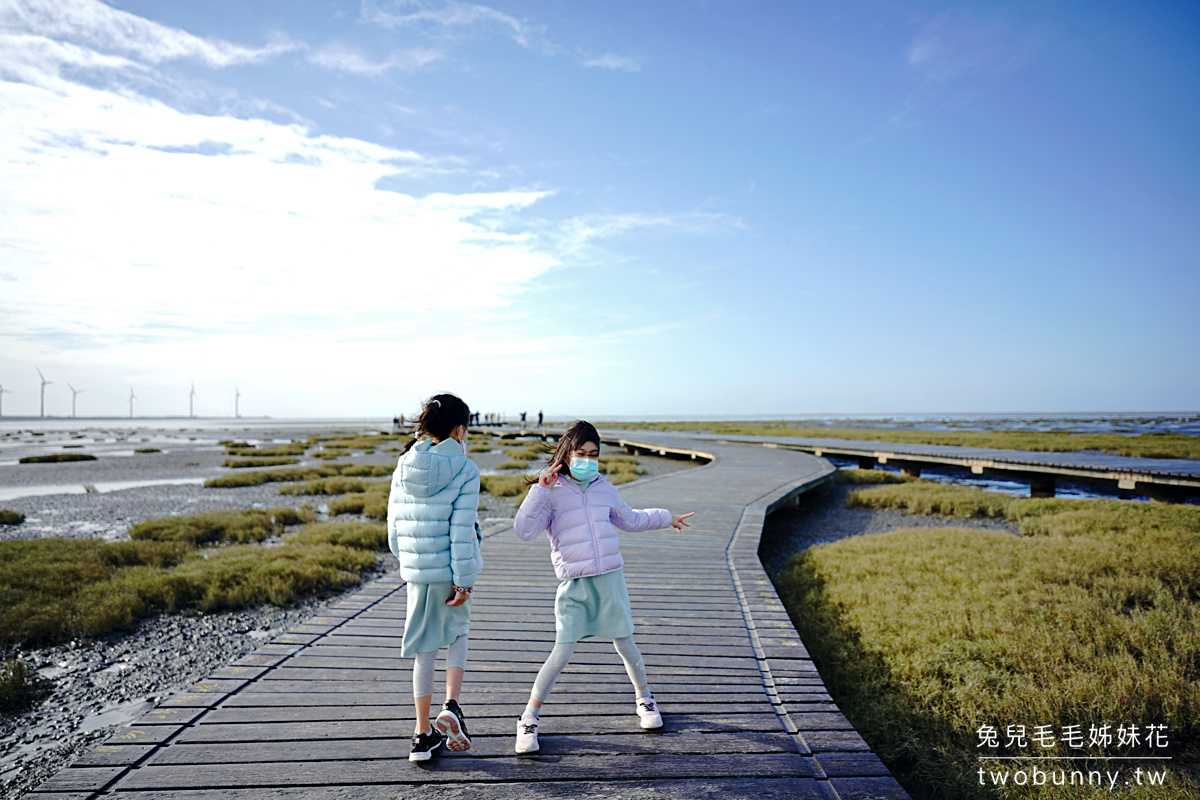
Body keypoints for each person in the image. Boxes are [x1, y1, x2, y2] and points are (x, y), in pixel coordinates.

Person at [511, 421, 694, 753]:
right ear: (566, 455)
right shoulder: (550, 493)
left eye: (593, 454)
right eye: (580, 453)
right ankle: (528, 719)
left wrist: (667, 517)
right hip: (574, 585)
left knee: (625, 643)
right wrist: (539, 489)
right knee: (562, 652)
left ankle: (645, 699)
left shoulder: (604, 489)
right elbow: (524, 531)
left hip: (610, 580)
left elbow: (632, 519)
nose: (587, 460)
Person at [388, 393, 483, 761]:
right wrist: (464, 581)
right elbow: (461, 532)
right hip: (449, 571)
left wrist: (409, 561)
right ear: (459, 430)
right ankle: (452, 707)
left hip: (417, 574)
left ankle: (421, 735)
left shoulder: (403, 464)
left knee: (424, 649)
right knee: (458, 631)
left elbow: (393, 528)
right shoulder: (464, 468)